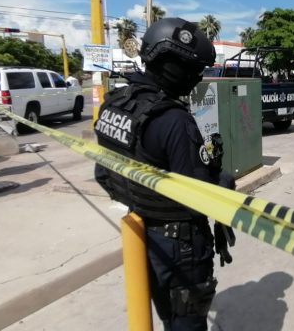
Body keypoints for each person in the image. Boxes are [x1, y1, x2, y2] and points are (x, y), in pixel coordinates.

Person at [94, 18, 234, 330]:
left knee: (167, 315)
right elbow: (198, 196)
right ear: (173, 66)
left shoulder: (115, 104)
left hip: (139, 232)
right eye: (193, 70)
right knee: (186, 323)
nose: (197, 78)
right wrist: (223, 181)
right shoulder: (173, 120)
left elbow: (103, 174)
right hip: (180, 245)